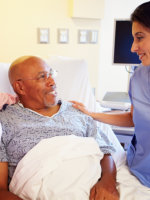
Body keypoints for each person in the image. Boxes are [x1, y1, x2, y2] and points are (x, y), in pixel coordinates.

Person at [72, 0, 150, 199]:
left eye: (140, 38)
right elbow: (133, 117)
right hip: (133, 172)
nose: (133, 47)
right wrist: (92, 114)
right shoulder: (139, 77)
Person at [0, 56, 119, 200]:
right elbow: (1, 189)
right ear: (20, 87)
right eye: (42, 77)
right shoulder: (5, 121)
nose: (52, 82)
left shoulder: (77, 112)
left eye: (51, 74)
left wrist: (108, 182)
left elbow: (105, 151)